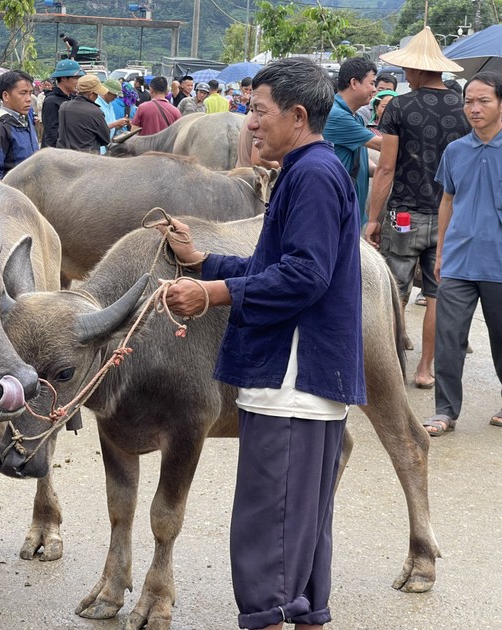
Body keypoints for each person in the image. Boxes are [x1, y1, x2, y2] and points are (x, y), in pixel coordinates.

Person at [157, 57, 365, 630]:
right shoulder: (309, 171)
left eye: (258, 110)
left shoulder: (313, 176)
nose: (249, 123)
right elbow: (276, 263)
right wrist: (204, 262)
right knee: (300, 524)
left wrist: (211, 294)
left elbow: (304, 276)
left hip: (291, 379)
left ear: (297, 117)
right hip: (303, 380)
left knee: (268, 527)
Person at [365, 27, 471, 390]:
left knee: (394, 292)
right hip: (449, 216)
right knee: (436, 294)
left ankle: (392, 368)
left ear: (417, 70)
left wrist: (373, 219)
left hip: (405, 215)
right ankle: (425, 369)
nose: (405, 75)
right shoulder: (464, 109)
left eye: (408, 69)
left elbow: (387, 168)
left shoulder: (400, 106)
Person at [420, 71, 502, 436]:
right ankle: (445, 411)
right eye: (469, 100)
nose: (474, 108)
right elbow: (447, 200)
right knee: (449, 338)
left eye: (484, 100)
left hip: (499, 263)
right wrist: (440, 252)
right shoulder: (455, 151)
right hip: (458, 261)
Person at [322, 57, 381, 225]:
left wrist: (380, 171)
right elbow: (382, 145)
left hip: (351, 211)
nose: (374, 89)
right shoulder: (337, 115)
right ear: (354, 83)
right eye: (372, 83)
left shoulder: (356, 117)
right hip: (337, 212)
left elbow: (360, 158)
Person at [0, 70, 39, 178]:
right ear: (6, 96)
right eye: (23, 93)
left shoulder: (25, 120)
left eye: (30, 93)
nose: (29, 99)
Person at [57, 74, 111, 153]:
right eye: (96, 94)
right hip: (86, 159)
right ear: (91, 94)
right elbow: (106, 139)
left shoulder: (64, 107)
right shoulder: (95, 112)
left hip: (64, 157)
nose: (97, 97)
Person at [41, 58, 84, 148]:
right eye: (75, 78)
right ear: (63, 78)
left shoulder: (72, 98)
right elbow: (51, 132)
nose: (78, 82)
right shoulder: (51, 102)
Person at [96, 78, 131, 151]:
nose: (115, 97)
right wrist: (115, 123)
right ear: (107, 91)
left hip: (107, 144)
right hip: (99, 147)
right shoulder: (97, 104)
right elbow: (98, 129)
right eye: (114, 94)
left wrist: (120, 125)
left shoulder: (110, 104)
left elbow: (110, 125)